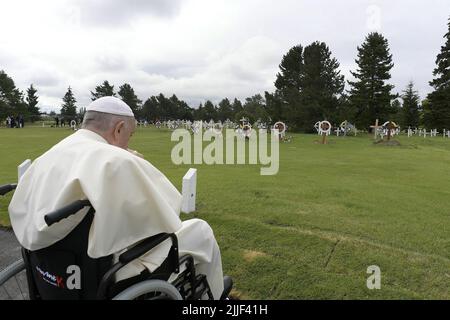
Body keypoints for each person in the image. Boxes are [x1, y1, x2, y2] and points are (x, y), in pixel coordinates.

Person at [8, 96, 230, 300]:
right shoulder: (115, 160)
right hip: (103, 273)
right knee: (200, 230)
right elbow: (168, 211)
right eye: (129, 135)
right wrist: (132, 160)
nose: (128, 143)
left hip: (50, 266)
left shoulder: (48, 156)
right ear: (119, 128)